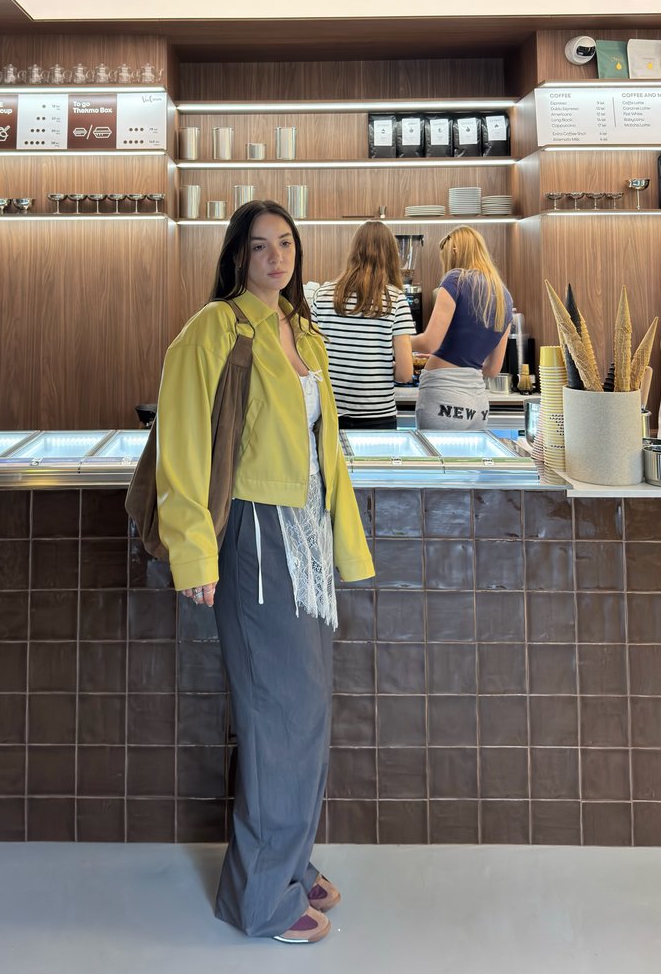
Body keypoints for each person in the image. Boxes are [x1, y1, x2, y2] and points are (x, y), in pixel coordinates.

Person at [154, 200, 374, 944]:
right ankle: (261, 898)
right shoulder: (214, 328)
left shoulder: (303, 329)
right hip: (251, 538)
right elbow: (181, 438)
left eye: (286, 244)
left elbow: (324, 449)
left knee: (305, 711)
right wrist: (194, 550)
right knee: (278, 716)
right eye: (260, 246)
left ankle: (289, 859)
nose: (276, 257)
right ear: (238, 256)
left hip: (305, 537)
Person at [311, 221, 415, 430]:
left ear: (353, 251)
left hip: (329, 412)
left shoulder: (321, 295)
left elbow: (311, 358)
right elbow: (405, 373)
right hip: (378, 415)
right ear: (391, 256)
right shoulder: (396, 300)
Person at [411, 225, 512, 430]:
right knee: (467, 462)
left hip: (443, 397)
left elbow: (429, 342)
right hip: (478, 405)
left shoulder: (456, 279)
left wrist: (396, 339)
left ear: (455, 251)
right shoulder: (504, 296)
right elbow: (492, 369)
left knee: (437, 462)